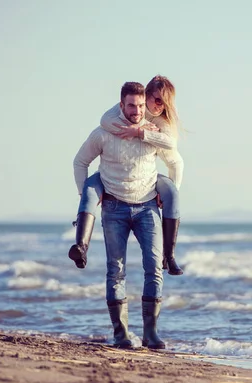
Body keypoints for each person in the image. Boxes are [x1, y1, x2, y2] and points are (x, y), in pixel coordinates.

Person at [73, 81, 177, 349]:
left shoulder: (152, 132)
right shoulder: (105, 133)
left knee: (154, 268)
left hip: (147, 208)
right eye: (131, 105)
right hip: (114, 208)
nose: (137, 111)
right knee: (115, 270)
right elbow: (80, 161)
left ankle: (150, 335)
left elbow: (175, 160)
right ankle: (121, 335)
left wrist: (167, 196)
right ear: (121, 105)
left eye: (141, 105)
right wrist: (87, 195)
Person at [69, 75, 184, 276]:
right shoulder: (117, 114)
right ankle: (80, 247)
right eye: (157, 100)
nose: (160, 106)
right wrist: (132, 129)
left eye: (164, 103)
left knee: (172, 193)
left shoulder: (159, 122)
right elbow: (104, 121)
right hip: (110, 178)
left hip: (145, 183)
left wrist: (140, 133)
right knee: (88, 189)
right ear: (145, 95)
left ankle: (169, 256)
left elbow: (173, 151)